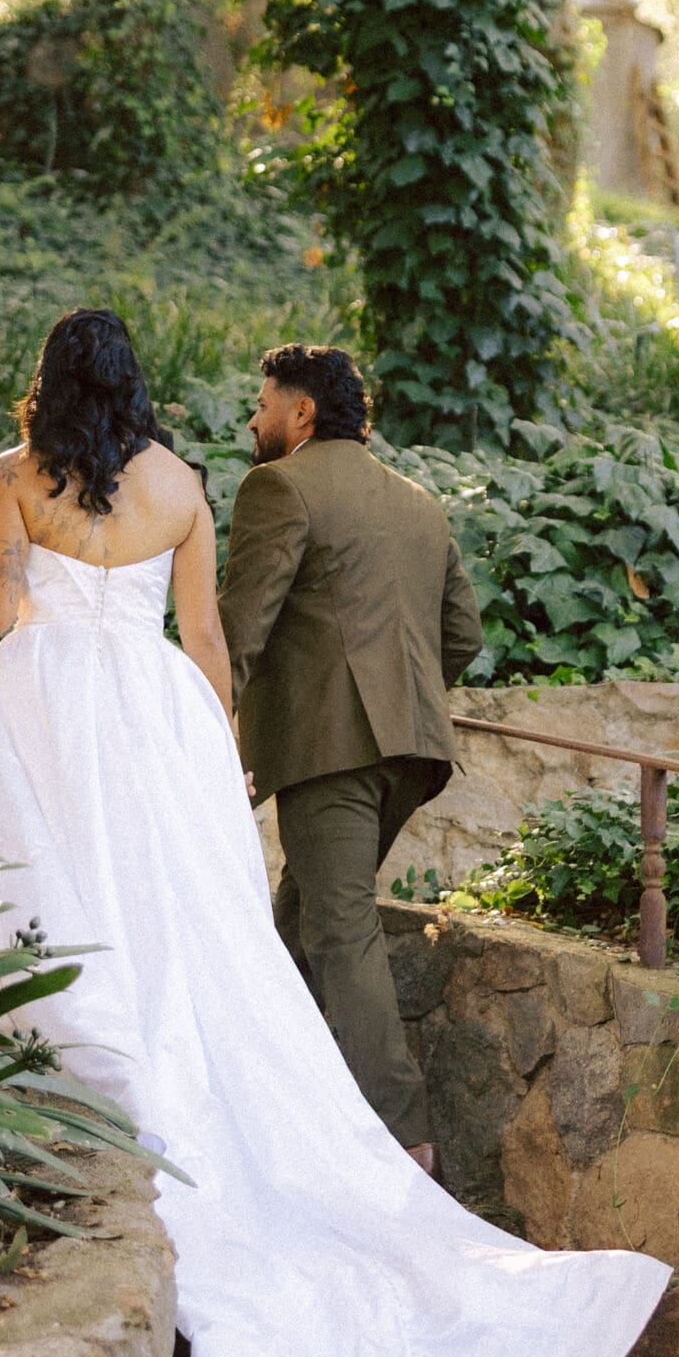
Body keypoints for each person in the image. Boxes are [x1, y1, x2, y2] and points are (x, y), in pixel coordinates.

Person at [0, 308, 666, 1357]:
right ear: (134, 383)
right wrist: (214, 752)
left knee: (40, 895)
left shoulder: (13, 476)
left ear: (48, 381)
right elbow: (205, 640)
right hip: (158, 716)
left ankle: (59, 1123)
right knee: (183, 931)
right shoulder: (183, 485)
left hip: (46, 704)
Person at [219, 344, 479, 1173]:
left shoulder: (279, 486)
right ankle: (260, 1100)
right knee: (296, 924)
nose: (253, 418)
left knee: (337, 928)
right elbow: (462, 636)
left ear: (302, 411)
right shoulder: (419, 502)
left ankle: (407, 1144)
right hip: (412, 753)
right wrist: (399, 700)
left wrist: (201, 727)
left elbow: (238, 631)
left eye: (264, 402)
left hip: (330, 751)